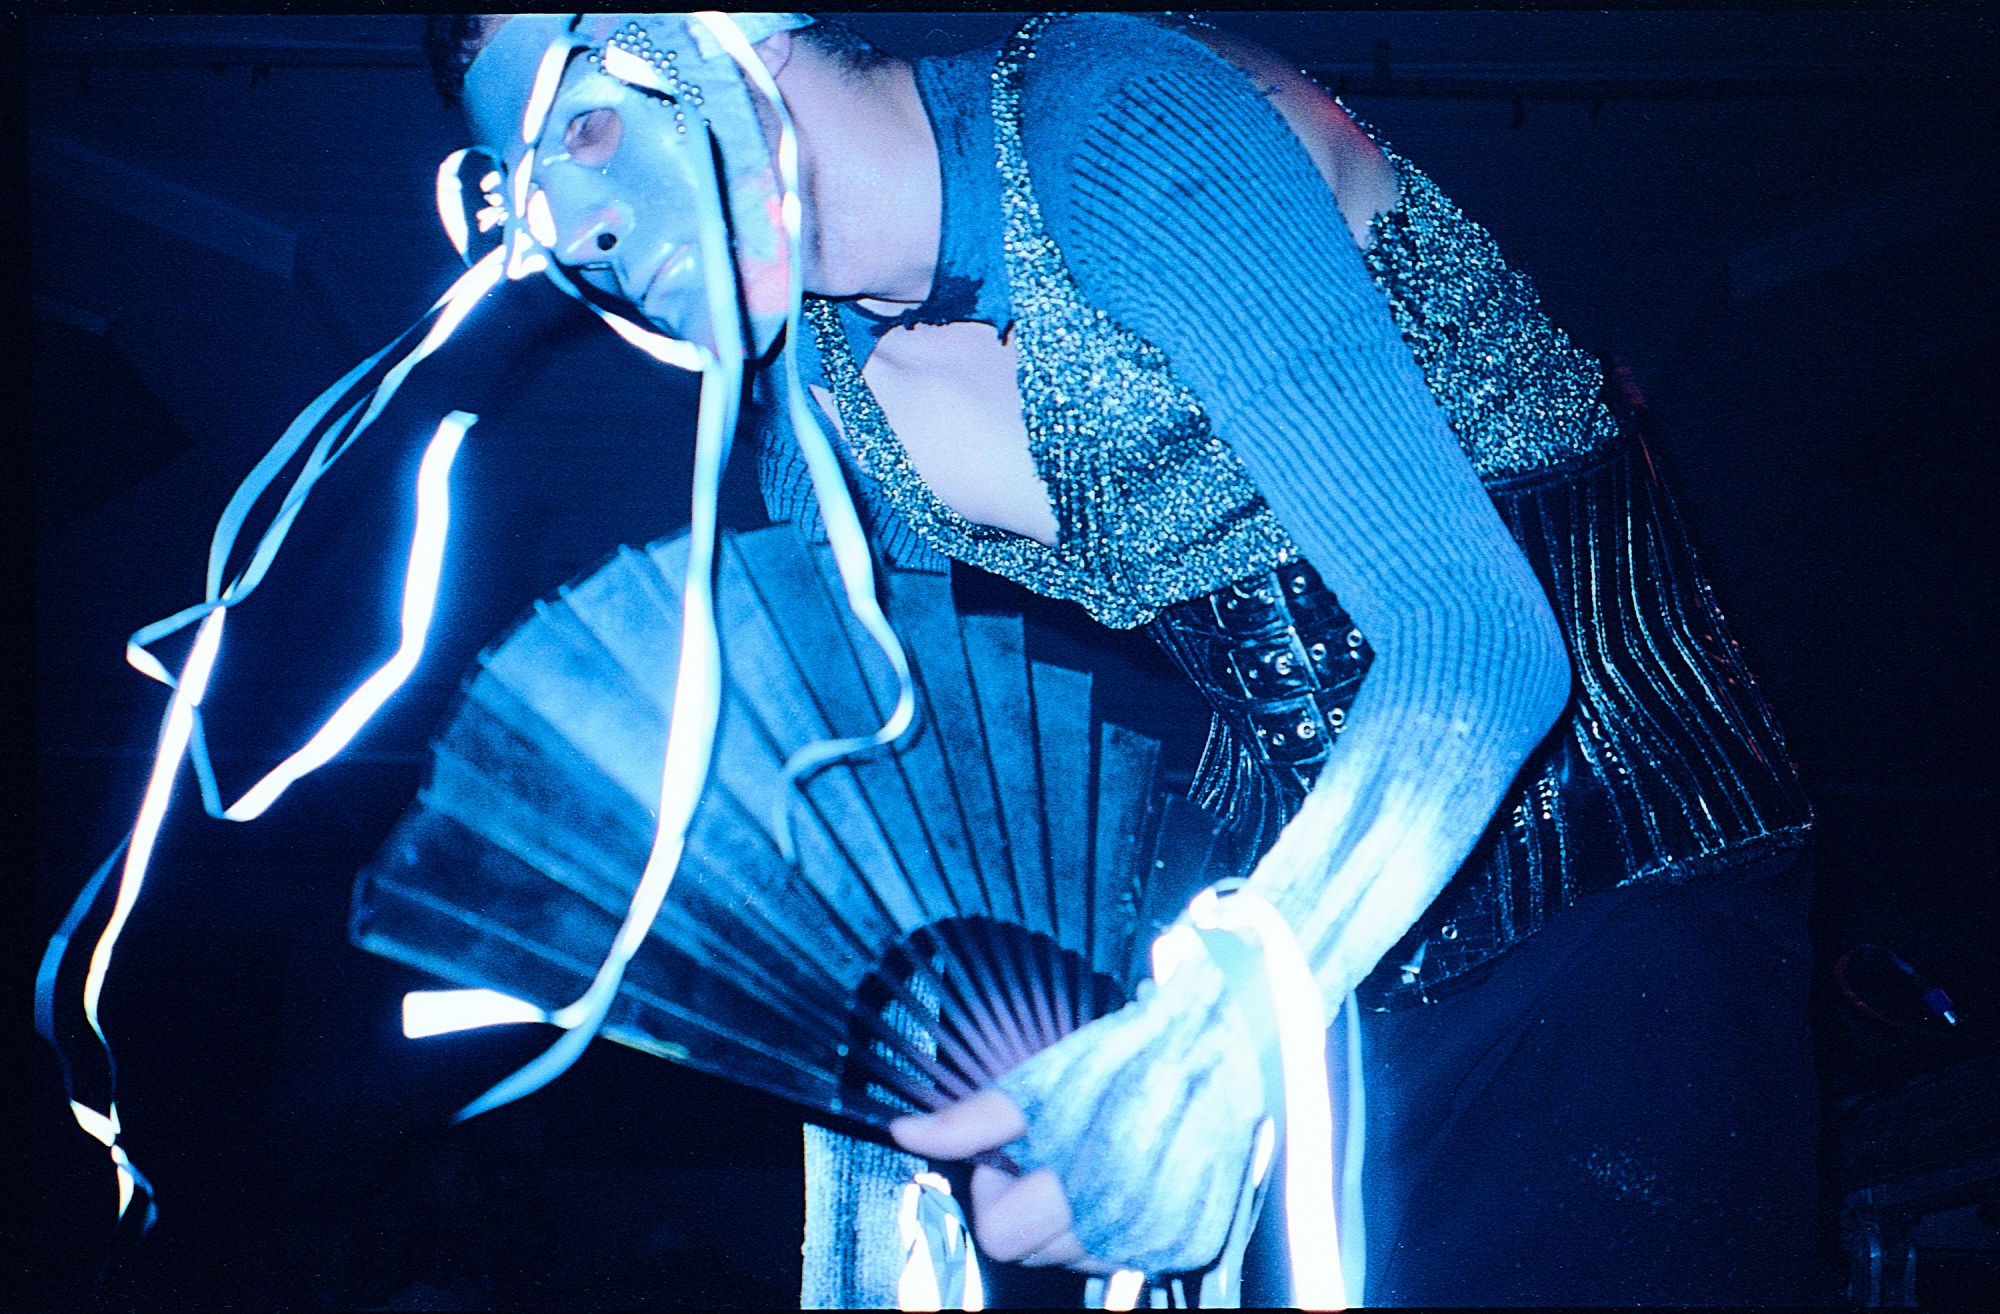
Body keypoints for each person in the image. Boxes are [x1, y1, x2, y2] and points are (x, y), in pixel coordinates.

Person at [425, 12, 1821, 1306]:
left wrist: (1208, 1055)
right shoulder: (817, 426)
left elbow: (1479, 643)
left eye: (583, 129)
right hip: (1340, 990)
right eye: (528, 201)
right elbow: (897, 873)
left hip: (1631, 887)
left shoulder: (1108, 112)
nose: (583, 232)